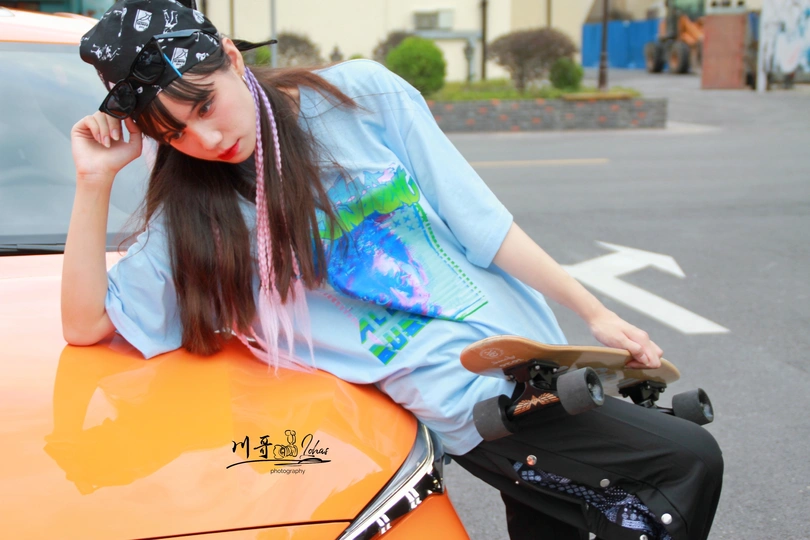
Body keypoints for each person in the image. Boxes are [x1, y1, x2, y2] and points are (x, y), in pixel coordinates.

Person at [63, 1, 723, 538]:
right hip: (473, 403)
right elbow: (86, 323)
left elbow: (481, 223)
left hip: (536, 353)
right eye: (175, 133)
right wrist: (93, 183)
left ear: (233, 58)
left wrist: (596, 312)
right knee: (684, 463)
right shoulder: (192, 221)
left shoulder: (360, 97)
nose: (205, 140)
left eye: (205, 105)